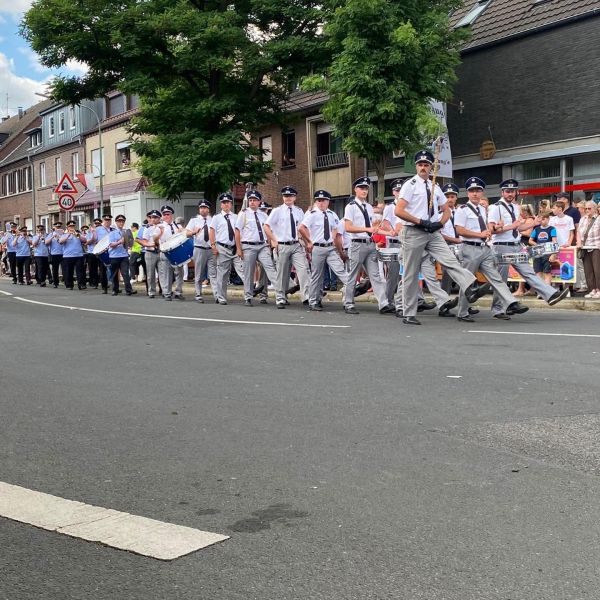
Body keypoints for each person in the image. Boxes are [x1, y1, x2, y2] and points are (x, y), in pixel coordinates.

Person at [394, 150, 483, 325]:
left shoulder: (434, 186)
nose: (423, 167)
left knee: (450, 260)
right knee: (411, 273)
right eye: (420, 164)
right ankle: (408, 313)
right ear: (416, 166)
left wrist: (440, 224)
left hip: (433, 232)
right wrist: (420, 221)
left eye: (426, 165)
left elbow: (446, 210)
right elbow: (399, 210)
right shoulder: (410, 185)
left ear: (431, 168)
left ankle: (470, 287)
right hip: (413, 231)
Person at [488, 178, 568, 315]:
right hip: (501, 246)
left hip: (516, 245)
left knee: (529, 272)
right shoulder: (495, 207)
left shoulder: (515, 207)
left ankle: (550, 295)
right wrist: (511, 226)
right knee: (501, 279)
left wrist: (534, 223)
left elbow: (518, 228)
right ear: (502, 192)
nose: (510, 194)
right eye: (507, 191)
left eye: (512, 191)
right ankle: (498, 309)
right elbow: (492, 230)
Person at [453, 178, 528, 322]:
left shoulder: (482, 209)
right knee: (467, 282)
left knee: (496, 277)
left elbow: (488, 228)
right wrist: (479, 234)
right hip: (469, 248)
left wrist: (496, 227)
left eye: (478, 191)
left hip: (484, 248)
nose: (475, 194)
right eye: (472, 191)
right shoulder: (462, 210)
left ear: (482, 193)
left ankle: (511, 303)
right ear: (468, 193)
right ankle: (462, 312)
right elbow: (459, 230)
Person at [343, 176, 394, 315]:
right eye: (361, 188)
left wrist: (388, 232)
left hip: (370, 243)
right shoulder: (351, 207)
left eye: (366, 188)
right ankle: (348, 303)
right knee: (353, 275)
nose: (364, 191)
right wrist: (367, 229)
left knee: (375, 275)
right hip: (357, 244)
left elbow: (373, 228)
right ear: (355, 189)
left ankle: (383, 304)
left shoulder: (369, 207)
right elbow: (348, 227)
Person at [299, 189, 349, 311]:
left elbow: (336, 230)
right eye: (319, 201)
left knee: (341, 271)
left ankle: (351, 295)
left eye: (323, 201)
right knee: (317, 276)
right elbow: (301, 228)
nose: (321, 203)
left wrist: (338, 247)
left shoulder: (332, 214)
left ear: (328, 201)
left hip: (330, 247)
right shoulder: (312, 214)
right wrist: (309, 241)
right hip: (318, 247)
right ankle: (314, 301)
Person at [264, 186, 310, 309]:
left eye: (290, 196)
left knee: (303, 270)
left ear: (295, 197)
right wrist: (274, 240)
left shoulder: (299, 211)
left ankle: (306, 297)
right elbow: (266, 226)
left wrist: (306, 242)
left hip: (296, 245)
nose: (287, 198)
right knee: (282, 274)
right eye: (285, 196)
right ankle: (280, 298)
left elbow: (302, 228)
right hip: (282, 245)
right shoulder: (277, 211)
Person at [235, 190, 279, 307]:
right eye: (250, 200)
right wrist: (239, 248)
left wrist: (270, 244)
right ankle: (248, 297)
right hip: (248, 245)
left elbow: (268, 230)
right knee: (248, 272)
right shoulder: (243, 214)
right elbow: (237, 231)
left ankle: (279, 295)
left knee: (270, 268)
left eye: (254, 200)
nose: (252, 202)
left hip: (262, 245)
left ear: (259, 202)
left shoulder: (263, 215)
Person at [209, 192, 244, 305]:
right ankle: (221, 297)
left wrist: (240, 247)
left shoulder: (236, 217)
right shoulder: (217, 218)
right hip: (222, 247)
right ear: (221, 205)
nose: (226, 204)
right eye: (224, 203)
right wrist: (213, 245)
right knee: (223, 274)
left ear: (231, 204)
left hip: (235, 247)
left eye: (228, 202)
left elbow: (239, 231)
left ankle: (250, 291)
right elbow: (212, 231)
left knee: (243, 269)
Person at [186, 200, 217, 303]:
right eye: (201, 208)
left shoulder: (213, 220)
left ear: (208, 209)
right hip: (199, 248)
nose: (203, 210)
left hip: (211, 248)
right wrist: (193, 232)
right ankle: (198, 294)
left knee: (213, 273)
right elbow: (186, 233)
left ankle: (217, 295)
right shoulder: (194, 220)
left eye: (205, 208)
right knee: (199, 273)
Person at [156, 205, 185, 301]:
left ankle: (178, 292)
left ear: (171, 215)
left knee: (180, 273)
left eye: (168, 214)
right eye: (164, 214)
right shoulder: (160, 227)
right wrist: (160, 233)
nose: (166, 216)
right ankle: (167, 293)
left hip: (177, 252)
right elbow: (154, 238)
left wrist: (183, 231)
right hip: (166, 252)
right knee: (167, 274)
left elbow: (185, 235)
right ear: (162, 216)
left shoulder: (178, 226)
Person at [107, 214, 136, 296]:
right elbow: (111, 244)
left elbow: (130, 243)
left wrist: (129, 243)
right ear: (116, 222)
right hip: (114, 256)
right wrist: (120, 242)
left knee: (125, 273)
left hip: (124, 255)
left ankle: (128, 290)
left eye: (122, 221)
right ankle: (115, 290)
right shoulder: (112, 232)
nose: (121, 223)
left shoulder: (125, 232)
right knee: (115, 274)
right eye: (119, 221)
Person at [576, 202, 600, 298]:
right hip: (585, 247)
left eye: (589, 208)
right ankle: (592, 290)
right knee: (588, 270)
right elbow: (578, 232)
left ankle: (599, 289)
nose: (587, 210)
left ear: (595, 209)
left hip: (596, 247)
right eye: (585, 208)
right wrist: (579, 242)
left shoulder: (599, 219)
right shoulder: (583, 219)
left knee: (597, 270)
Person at [137, 209, 162, 298]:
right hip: (150, 252)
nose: (153, 219)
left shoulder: (162, 227)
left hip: (161, 252)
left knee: (162, 273)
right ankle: (151, 291)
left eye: (155, 217)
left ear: (159, 218)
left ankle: (164, 290)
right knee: (150, 274)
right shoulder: (147, 228)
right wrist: (148, 244)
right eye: (151, 217)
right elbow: (142, 240)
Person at [528, 211, 557, 285]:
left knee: (547, 272)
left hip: (547, 253)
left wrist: (554, 254)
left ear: (548, 219)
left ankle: (547, 290)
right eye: (541, 219)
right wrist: (538, 245)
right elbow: (530, 241)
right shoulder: (536, 229)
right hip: (538, 253)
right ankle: (540, 290)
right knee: (538, 272)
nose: (542, 221)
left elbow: (555, 242)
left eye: (544, 219)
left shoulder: (552, 229)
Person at [59, 221, 86, 290]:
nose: (72, 228)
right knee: (68, 271)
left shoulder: (78, 233)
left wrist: (78, 235)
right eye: (70, 226)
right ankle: (69, 285)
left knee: (80, 271)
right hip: (68, 256)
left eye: (73, 226)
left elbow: (84, 240)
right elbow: (60, 241)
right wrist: (68, 235)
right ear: (67, 227)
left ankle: (81, 284)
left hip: (78, 255)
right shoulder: (64, 234)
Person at [45, 221, 64, 288]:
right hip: (54, 253)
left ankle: (66, 281)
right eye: (57, 227)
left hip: (63, 253)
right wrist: (53, 236)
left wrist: (59, 236)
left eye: (59, 227)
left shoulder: (64, 233)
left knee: (65, 269)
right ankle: (55, 282)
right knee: (55, 269)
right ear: (54, 227)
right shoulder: (51, 234)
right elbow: (46, 243)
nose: (58, 228)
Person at [85, 218, 103, 289]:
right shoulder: (90, 232)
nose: (97, 225)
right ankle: (94, 283)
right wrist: (93, 238)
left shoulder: (103, 232)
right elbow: (87, 242)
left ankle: (103, 283)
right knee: (93, 269)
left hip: (101, 252)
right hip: (92, 252)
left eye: (99, 224)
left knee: (102, 269)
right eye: (96, 224)